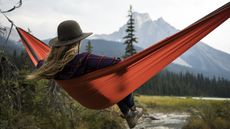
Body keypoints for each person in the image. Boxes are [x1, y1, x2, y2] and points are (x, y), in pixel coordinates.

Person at [27, 20, 142, 128]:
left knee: (114, 77)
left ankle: (128, 113)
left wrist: (50, 58)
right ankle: (131, 109)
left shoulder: (51, 67)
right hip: (102, 97)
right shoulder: (84, 60)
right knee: (120, 73)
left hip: (87, 101)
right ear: (77, 42)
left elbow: (40, 63)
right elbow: (118, 63)